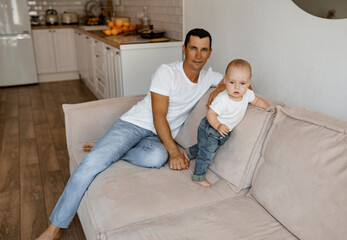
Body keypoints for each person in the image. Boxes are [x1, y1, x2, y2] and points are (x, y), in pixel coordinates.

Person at [36, 28, 225, 240]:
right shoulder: (167, 72)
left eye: (203, 50)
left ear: (209, 53)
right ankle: (54, 227)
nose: (198, 55)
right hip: (134, 124)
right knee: (92, 163)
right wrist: (174, 152)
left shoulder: (210, 77)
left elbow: (239, 80)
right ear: (184, 49)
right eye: (193, 48)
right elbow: (158, 116)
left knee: (155, 158)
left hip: (157, 137)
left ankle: (109, 147)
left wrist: (219, 89)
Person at [184, 59, 271, 187]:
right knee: (207, 154)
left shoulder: (247, 94)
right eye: (232, 82)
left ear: (249, 83)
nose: (237, 87)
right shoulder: (223, 99)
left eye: (242, 83)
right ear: (225, 81)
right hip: (211, 128)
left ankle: (189, 153)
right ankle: (198, 175)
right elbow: (210, 114)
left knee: (205, 146)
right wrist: (218, 125)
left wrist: (269, 108)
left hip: (223, 132)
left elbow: (257, 101)